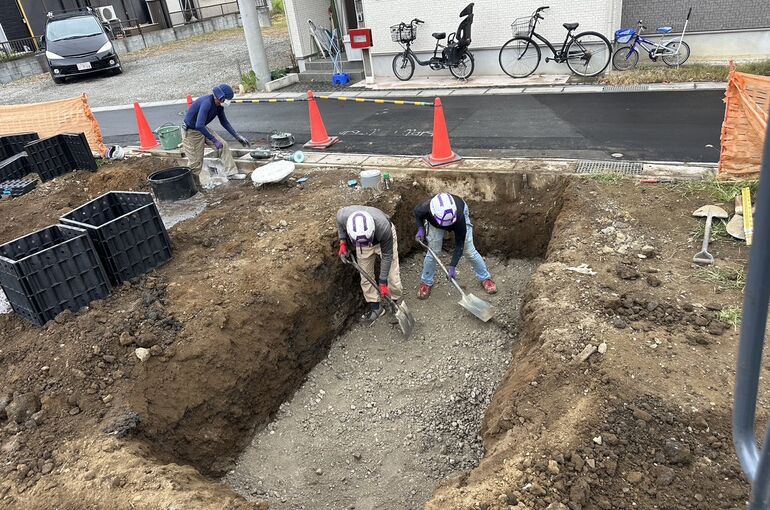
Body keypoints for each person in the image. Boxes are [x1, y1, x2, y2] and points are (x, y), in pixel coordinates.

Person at [414, 193, 497, 299]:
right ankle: (426, 281)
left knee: (469, 251)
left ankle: (485, 278)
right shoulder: (424, 208)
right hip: (434, 223)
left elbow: (459, 244)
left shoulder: (459, 217)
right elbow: (417, 214)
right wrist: (420, 228)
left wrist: (453, 266)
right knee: (433, 252)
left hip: (457, 220)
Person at [337, 206, 404, 323]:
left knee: (392, 274)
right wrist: (342, 242)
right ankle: (376, 308)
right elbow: (339, 223)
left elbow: (387, 256)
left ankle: (395, 304)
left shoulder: (383, 227)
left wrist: (382, 283)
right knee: (365, 277)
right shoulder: (343, 216)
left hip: (383, 240)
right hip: (362, 243)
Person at [182, 83, 250, 186]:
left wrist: (237, 136)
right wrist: (214, 140)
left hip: (202, 128)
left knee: (223, 145)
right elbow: (199, 125)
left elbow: (224, 122)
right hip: (191, 132)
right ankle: (193, 187)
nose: (228, 102)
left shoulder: (219, 105)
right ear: (220, 97)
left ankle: (231, 174)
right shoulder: (207, 103)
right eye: (227, 99)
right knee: (195, 163)